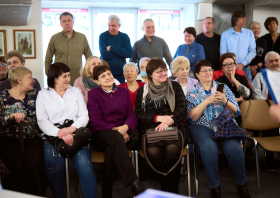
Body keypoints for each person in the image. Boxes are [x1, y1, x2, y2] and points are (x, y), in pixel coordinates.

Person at [186, 60, 251, 198]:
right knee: (209, 148)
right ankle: (214, 188)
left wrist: (224, 101)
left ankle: (242, 185)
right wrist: (207, 101)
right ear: (197, 74)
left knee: (235, 149)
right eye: (204, 70)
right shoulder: (192, 92)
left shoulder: (223, 87)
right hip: (201, 126)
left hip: (224, 125)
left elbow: (236, 112)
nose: (209, 72)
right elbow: (192, 117)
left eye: (210, 69)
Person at [36, 62, 97, 198]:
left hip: (77, 133)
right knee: (53, 167)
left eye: (69, 75)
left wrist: (71, 129)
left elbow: (83, 116)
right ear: (54, 78)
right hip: (53, 136)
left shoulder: (75, 91)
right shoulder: (43, 94)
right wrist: (59, 133)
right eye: (64, 76)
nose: (68, 79)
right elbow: (42, 121)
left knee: (84, 165)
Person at [87, 65, 146, 198]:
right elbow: (95, 121)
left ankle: (106, 192)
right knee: (113, 139)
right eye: (103, 76)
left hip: (119, 135)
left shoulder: (123, 92)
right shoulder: (93, 94)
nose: (108, 77)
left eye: (109, 73)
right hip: (100, 134)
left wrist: (126, 127)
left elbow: (131, 115)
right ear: (96, 81)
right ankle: (134, 181)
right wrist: (118, 131)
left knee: (111, 151)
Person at [135, 58, 188, 194]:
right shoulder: (142, 91)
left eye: (165, 70)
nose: (164, 73)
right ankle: (167, 184)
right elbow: (140, 114)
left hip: (174, 124)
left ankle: (169, 190)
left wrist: (167, 121)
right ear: (150, 74)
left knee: (172, 150)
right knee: (153, 152)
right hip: (151, 127)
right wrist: (158, 118)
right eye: (159, 71)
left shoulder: (175, 87)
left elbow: (182, 109)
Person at [0, 66, 46, 196]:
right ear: (19, 80)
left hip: (32, 137)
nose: (33, 80)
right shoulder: (2, 97)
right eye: (29, 77)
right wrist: (11, 117)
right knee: (16, 167)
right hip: (8, 138)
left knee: (35, 163)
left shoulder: (36, 95)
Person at [45, 12, 92, 85]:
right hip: (59, 78)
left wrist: (90, 75)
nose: (67, 23)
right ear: (61, 24)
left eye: (69, 20)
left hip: (77, 78)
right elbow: (48, 58)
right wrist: (49, 75)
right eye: (64, 21)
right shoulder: (54, 38)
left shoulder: (82, 37)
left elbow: (89, 58)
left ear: (73, 22)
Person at [251, 51, 280, 171]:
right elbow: (255, 93)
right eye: (271, 61)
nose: (275, 63)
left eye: (276, 60)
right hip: (265, 110)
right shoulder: (260, 76)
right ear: (266, 64)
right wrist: (269, 106)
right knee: (271, 125)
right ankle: (269, 158)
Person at [220, 11, 256, 84]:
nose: (244, 20)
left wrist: (242, 64)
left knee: (249, 92)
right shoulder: (225, 35)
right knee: (229, 91)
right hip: (229, 69)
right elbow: (223, 54)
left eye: (245, 18)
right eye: (242, 18)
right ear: (236, 19)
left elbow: (252, 51)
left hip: (245, 68)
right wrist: (232, 65)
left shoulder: (249, 33)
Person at [99, 15, 132, 83]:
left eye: (113, 25)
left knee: (119, 93)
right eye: (109, 25)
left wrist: (111, 48)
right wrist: (121, 55)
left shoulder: (124, 37)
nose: (111, 28)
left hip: (120, 74)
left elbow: (129, 53)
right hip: (105, 73)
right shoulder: (103, 36)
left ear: (119, 26)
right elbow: (104, 54)